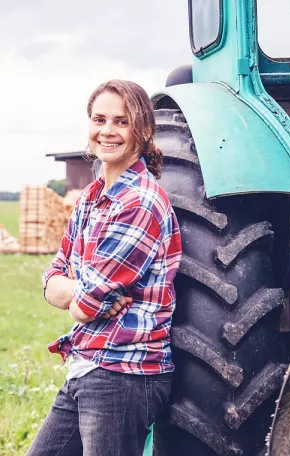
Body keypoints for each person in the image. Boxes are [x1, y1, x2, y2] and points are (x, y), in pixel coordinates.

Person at [27, 79, 182, 456]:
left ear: (143, 131)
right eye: (100, 119)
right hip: (88, 363)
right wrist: (74, 291)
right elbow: (52, 278)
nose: (107, 131)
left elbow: (83, 307)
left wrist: (76, 293)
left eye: (122, 121)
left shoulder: (139, 203)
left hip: (122, 373)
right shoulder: (92, 198)